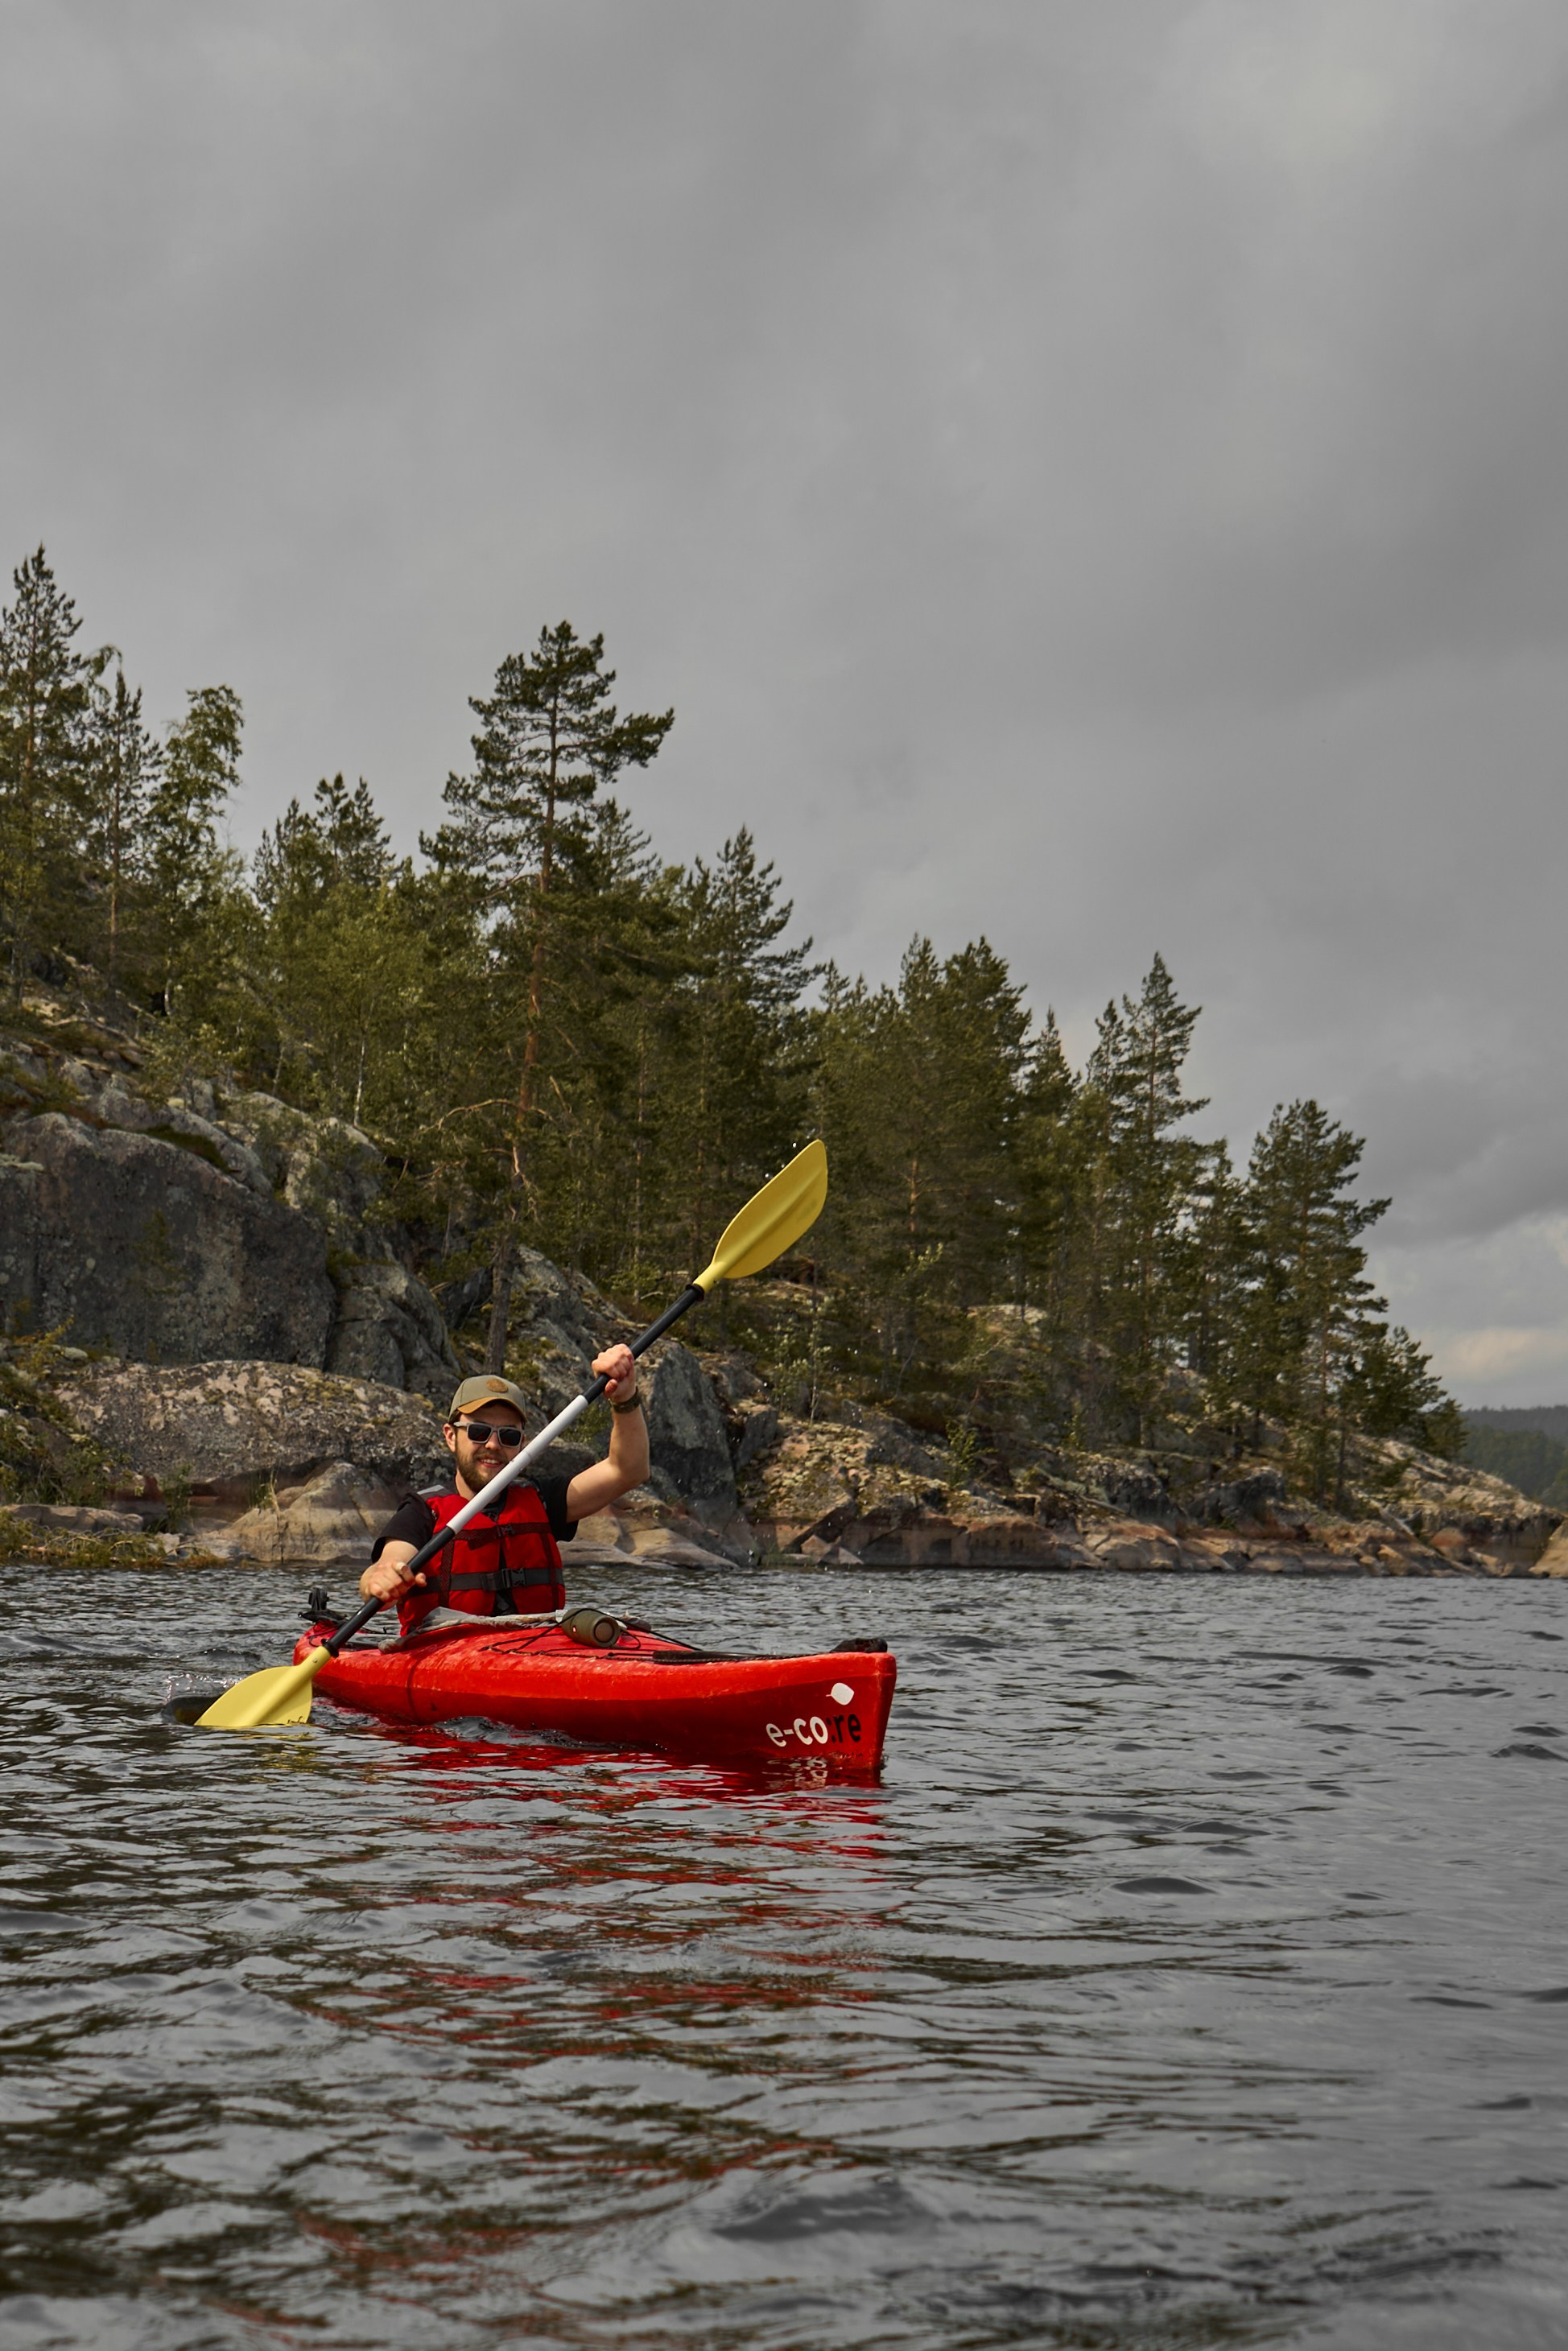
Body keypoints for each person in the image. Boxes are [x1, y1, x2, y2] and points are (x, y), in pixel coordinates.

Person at [359, 1350, 648, 1635]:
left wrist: (624, 1397)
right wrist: (382, 1578)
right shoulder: (421, 1511)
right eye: (479, 1432)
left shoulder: (544, 1500)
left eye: (508, 1436)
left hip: (536, 1650)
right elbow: (390, 1561)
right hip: (447, 1652)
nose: (493, 1445)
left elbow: (627, 1470)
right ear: (451, 1436)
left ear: (522, 1444)